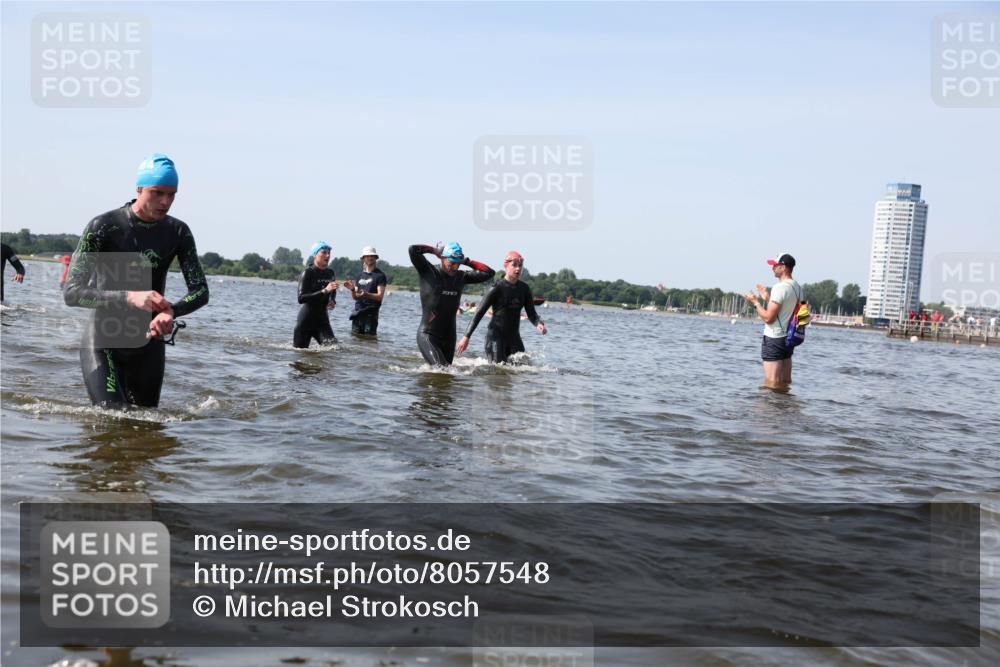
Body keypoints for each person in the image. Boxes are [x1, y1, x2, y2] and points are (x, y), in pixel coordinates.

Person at [64, 153, 209, 408]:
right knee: (114, 418)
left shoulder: (178, 232)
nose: (166, 202)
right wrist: (129, 296)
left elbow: (200, 290)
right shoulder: (103, 226)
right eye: (157, 193)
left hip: (148, 344)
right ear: (139, 188)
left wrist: (170, 311)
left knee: (146, 424)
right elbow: (72, 293)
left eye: (172, 194)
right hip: (103, 341)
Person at [409, 241, 494, 366]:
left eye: (458, 264)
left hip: (449, 337)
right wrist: (435, 251)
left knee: (447, 374)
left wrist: (467, 261)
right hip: (428, 335)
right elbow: (413, 250)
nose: (455, 267)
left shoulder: (461, 277)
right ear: (443, 259)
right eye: (452, 263)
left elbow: (488, 272)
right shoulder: (429, 272)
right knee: (441, 370)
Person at [456, 250, 547, 363]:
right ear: (506, 266)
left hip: (514, 338)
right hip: (495, 338)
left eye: (520, 265)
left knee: (523, 369)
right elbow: (479, 313)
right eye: (514, 265)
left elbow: (532, 314)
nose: (518, 268)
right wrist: (466, 337)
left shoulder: (524, 289)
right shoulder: (496, 288)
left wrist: (538, 323)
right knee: (498, 373)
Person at [744, 252, 802, 390]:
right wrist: (768, 299)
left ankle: (770, 411)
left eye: (775, 265)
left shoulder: (780, 287)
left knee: (771, 383)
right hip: (789, 339)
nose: (773, 268)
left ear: (783, 267)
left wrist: (755, 302)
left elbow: (768, 318)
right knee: (785, 381)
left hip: (774, 338)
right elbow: (787, 312)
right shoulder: (798, 288)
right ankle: (783, 409)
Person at [293, 242, 338, 348]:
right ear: (315, 254)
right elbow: (301, 298)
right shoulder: (308, 273)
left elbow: (333, 290)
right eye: (324, 252)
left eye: (329, 253)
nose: (327, 255)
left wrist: (332, 300)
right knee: (300, 357)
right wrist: (324, 291)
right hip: (306, 321)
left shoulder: (330, 273)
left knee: (333, 350)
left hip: (322, 320)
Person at [343, 245, 386, 335]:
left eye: (372, 256)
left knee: (369, 340)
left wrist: (366, 294)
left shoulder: (380, 275)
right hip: (358, 313)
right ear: (363, 258)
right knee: (355, 340)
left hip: (371, 314)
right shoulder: (359, 275)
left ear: (375, 258)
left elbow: (379, 296)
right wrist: (352, 290)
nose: (370, 258)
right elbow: (355, 297)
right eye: (367, 256)